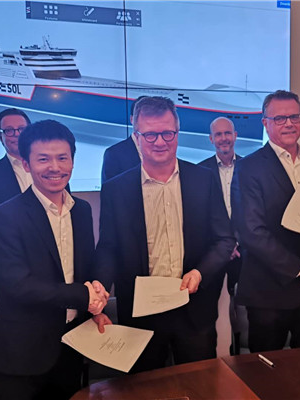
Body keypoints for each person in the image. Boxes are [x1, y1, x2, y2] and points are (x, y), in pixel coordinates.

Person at [96, 96, 235, 372]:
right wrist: (99, 292)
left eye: (167, 133)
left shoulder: (203, 179)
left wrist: (200, 273)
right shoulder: (116, 189)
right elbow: (109, 247)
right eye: (150, 135)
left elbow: (224, 239)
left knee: (200, 385)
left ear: (177, 133)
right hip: (141, 314)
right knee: (146, 388)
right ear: (137, 137)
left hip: (194, 310)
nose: (160, 142)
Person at [0, 120, 111, 399]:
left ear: (72, 161)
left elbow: (84, 270)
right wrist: (83, 295)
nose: (55, 167)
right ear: (26, 164)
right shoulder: (5, 216)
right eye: (43, 159)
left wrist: (96, 305)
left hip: (71, 346)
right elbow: (16, 285)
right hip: (22, 354)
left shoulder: (81, 210)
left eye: (62, 158)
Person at [231, 90, 300, 352]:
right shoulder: (249, 167)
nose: (288, 124)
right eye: (279, 118)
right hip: (270, 292)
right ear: (265, 123)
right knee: (267, 370)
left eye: (294, 117)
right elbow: (251, 232)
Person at [197, 116, 245, 354]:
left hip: (245, 251)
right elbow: (200, 216)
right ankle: (209, 363)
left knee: (245, 311)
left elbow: (255, 210)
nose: (224, 138)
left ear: (235, 135)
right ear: (211, 139)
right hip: (213, 253)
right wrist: (225, 246)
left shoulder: (250, 167)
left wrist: (238, 242)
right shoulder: (200, 171)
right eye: (218, 134)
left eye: (227, 133)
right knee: (206, 314)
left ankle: (243, 362)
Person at [100, 96, 148, 183]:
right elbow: (109, 189)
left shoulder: (165, 150)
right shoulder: (113, 154)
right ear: (132, 119)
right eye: (144, 117)